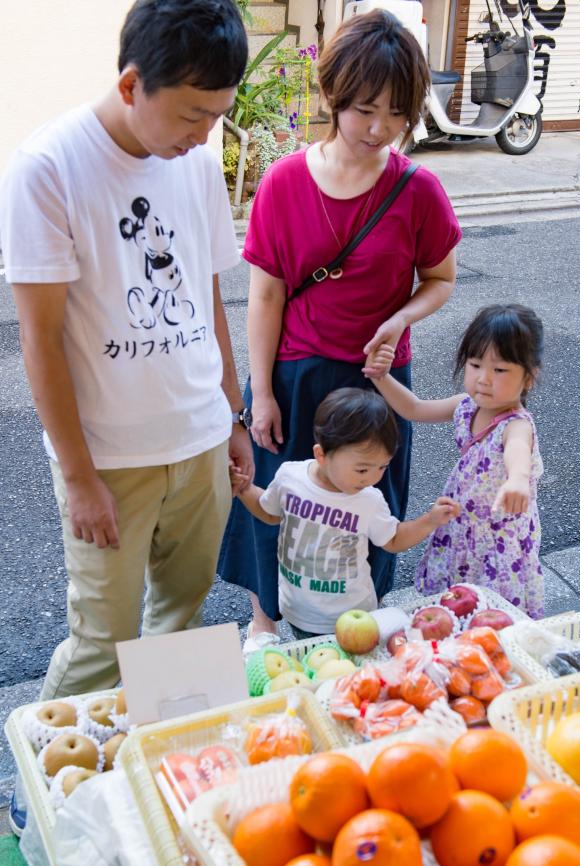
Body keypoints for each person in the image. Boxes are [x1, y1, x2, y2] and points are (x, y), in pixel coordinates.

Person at [0, 0, 253, 709]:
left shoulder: (196, 165)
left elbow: (205, 301)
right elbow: (39, 341)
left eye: (218, 115)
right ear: (130, 85)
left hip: (200, 439)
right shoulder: (47, 168)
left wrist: (232, 418)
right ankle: (34, 800)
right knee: (101, 645)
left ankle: (157, 772)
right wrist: (79, 478)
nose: (206, 135)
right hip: (109, 459)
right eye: (190, 114)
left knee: (180, 624)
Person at [218, 9, 462, 644]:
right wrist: (261, 394)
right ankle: (265, 623)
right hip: (296, 374)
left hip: (378, 384)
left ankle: (353, 626)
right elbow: (265, 296)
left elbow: (439, 279)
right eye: (365, 109)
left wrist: (401, 318)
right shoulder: (283, 183)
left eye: (398, 113)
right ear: (333, 95)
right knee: (276, 504)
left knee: (365, 503)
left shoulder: (419, 191)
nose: (380, 128)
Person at [231, 388, 459, 637]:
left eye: (382, 466)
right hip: (298, 611)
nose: (372, 477)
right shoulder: (290, 477)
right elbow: (269, 512)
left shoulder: (369, 499)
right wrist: (244, 489)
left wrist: (430, 520)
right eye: (362, 470)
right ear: (321, 455)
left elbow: (393, 539)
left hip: (354, 615)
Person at [364, 304, 545, 618]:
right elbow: (414, 408)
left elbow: (518, 452)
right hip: (463, 525)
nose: (484, 379)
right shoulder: (466, 405)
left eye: (500, 370)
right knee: (456, 606)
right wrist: (381, 377)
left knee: (491, 613)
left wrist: (517, 479)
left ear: (529, 378)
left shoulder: (516, 424)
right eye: (475, 365)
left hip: (497, 541)